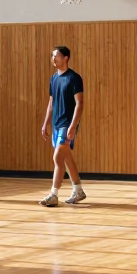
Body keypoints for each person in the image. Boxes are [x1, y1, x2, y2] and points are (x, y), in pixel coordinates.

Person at [40, 46, 86, 206]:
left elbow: (79, 104)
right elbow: (51, 103)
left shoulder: (74, 78)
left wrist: (73, 125)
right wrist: (45, 123)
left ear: (66, 57)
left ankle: (53, 194)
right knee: (66, 158)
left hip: (67, 124)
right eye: (52, 56)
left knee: (57, 156)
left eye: (56, 56)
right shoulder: (53, 79)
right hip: (55, 124)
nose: (53, 59)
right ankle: (78, 190)